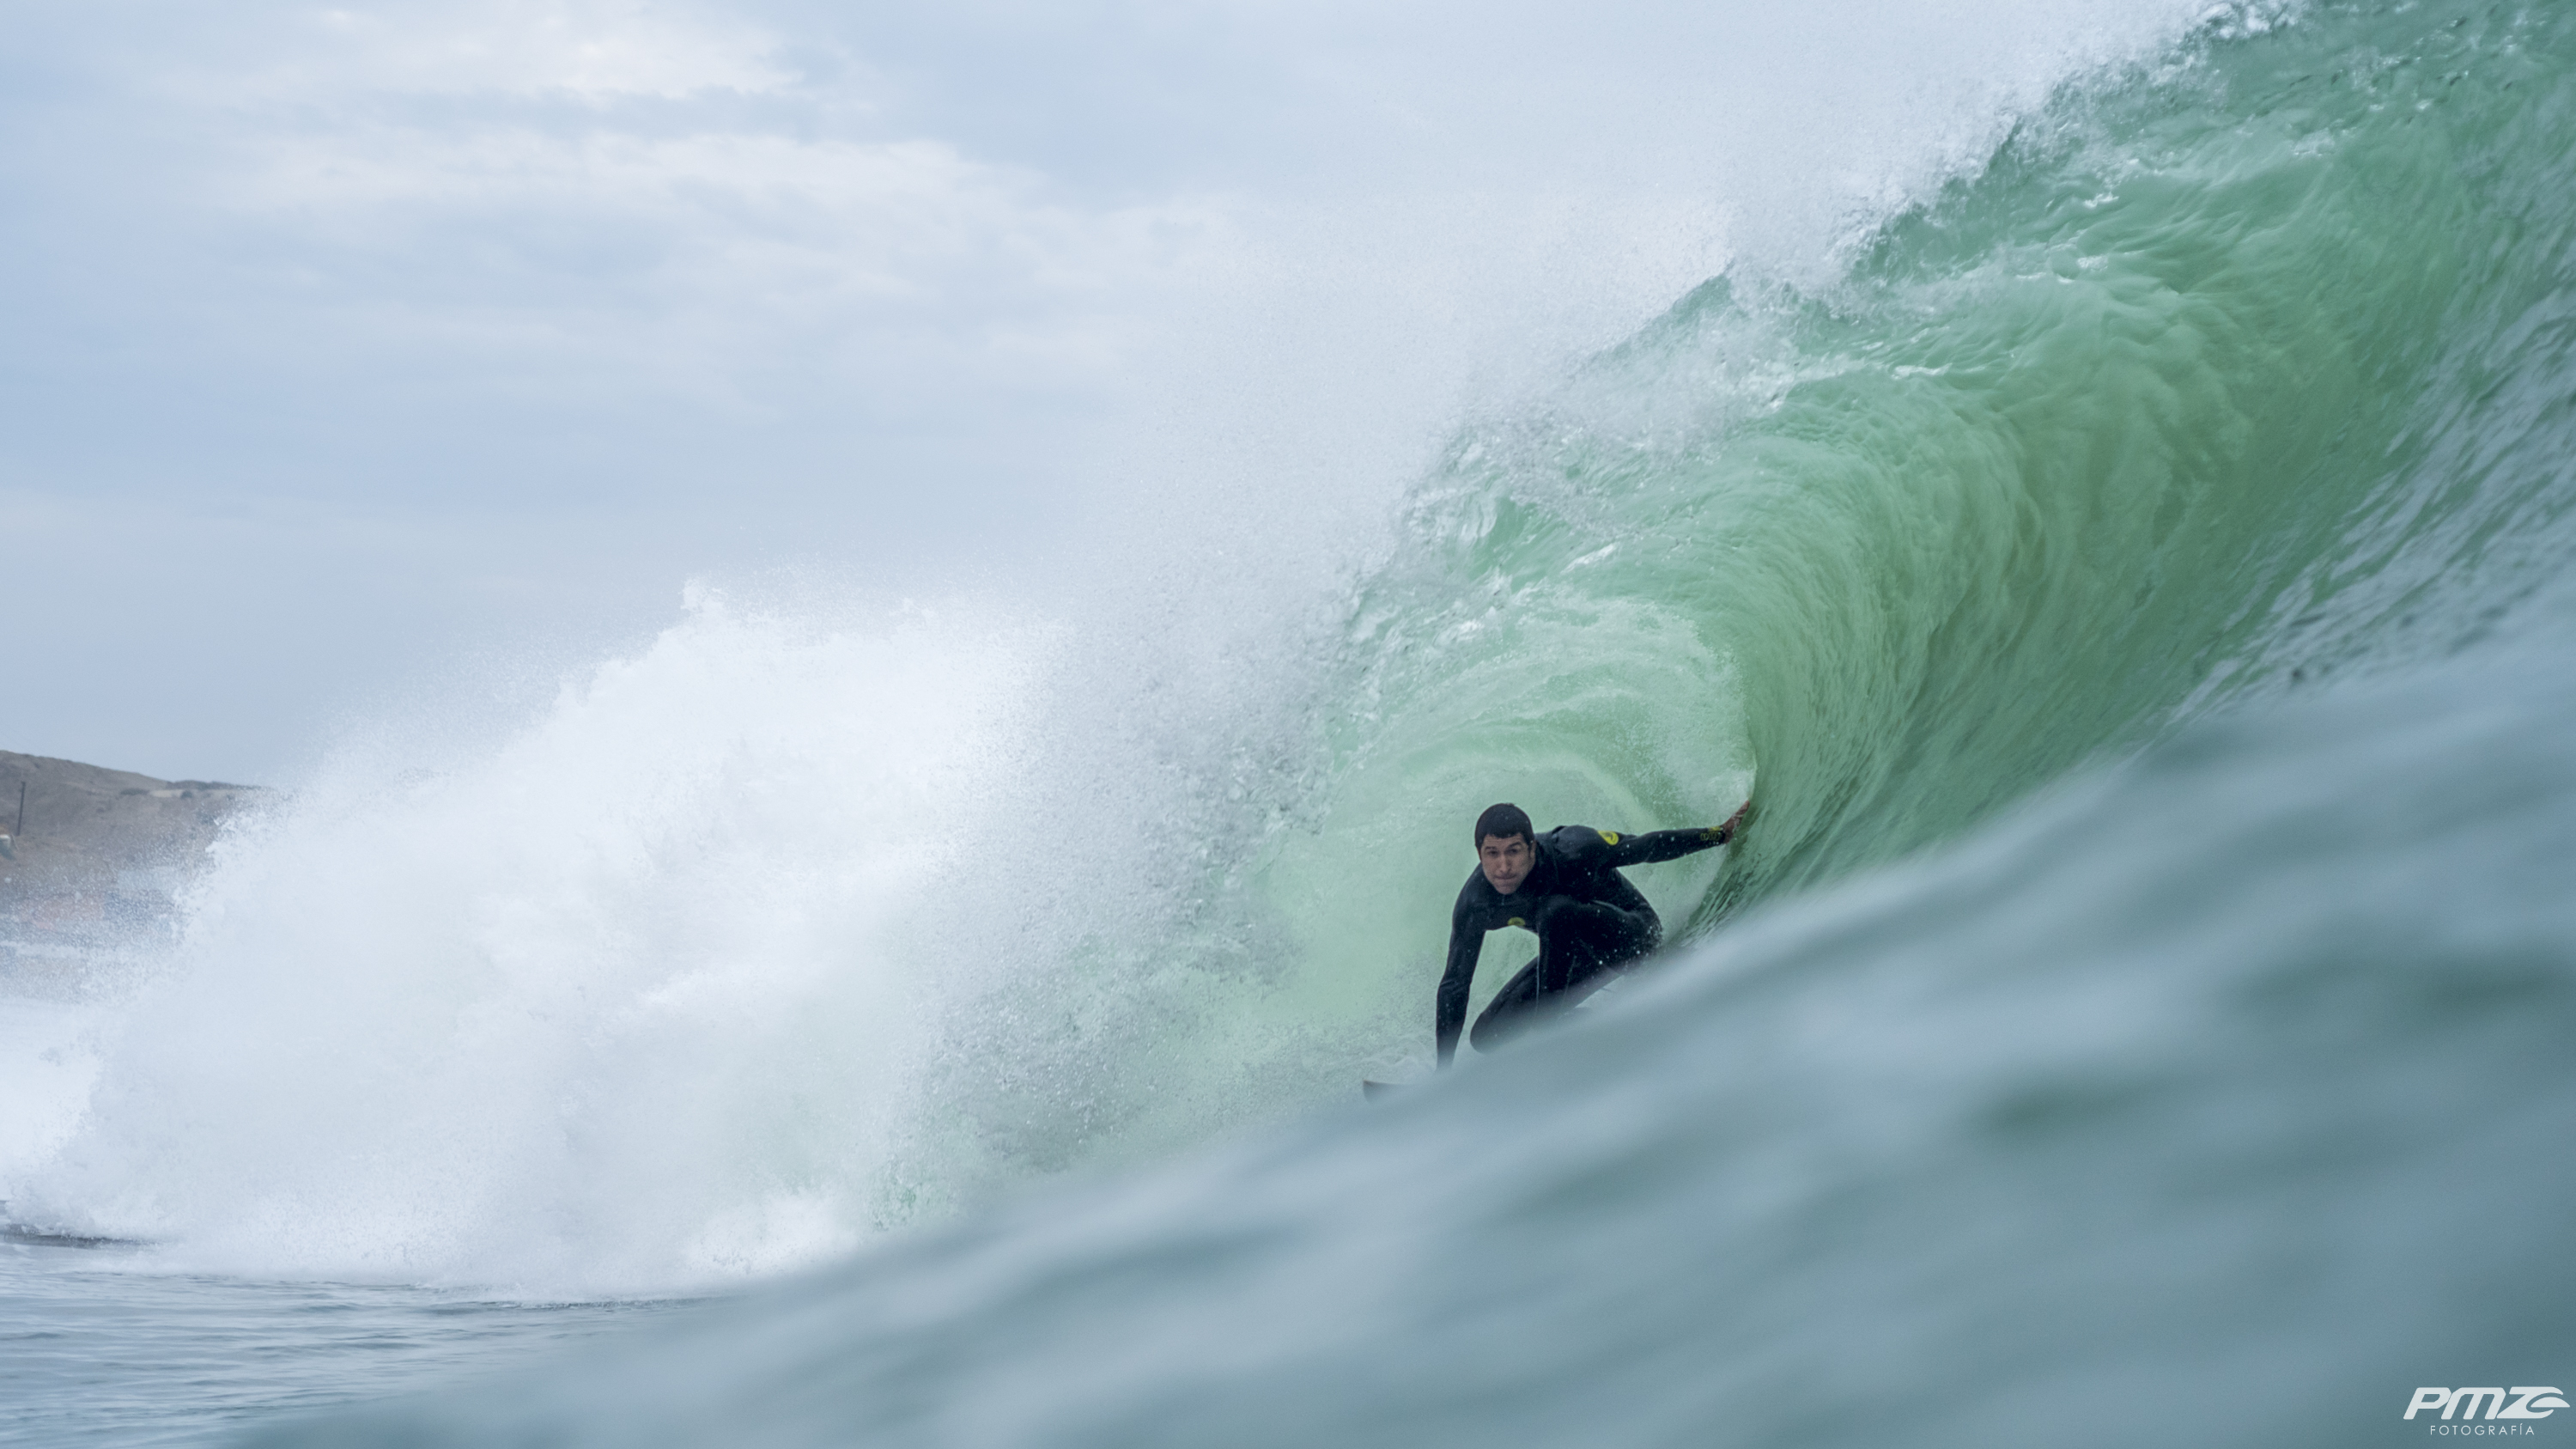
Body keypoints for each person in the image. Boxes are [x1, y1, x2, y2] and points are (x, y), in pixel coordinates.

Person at [1435, 799, 1751, 1068]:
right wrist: (1442, 1072)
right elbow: (1455, 984)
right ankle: (1592, 1034)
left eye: (1513, 851)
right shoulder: (1476, 904)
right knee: (1488, 1036)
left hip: (1635, 940)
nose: (1503, 866)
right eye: (1492, 853)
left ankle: (1549, 1034)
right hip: (1581, 959)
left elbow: (1646, 846)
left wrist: (1720, 834)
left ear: (1532, 847)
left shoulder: (1572, 849)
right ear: (1479, 854)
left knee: (1555, 910)